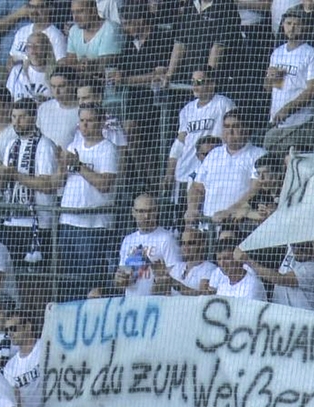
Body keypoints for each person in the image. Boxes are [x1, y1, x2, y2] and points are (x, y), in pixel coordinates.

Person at [57, 104, 118, 302]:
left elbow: (105, 184)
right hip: (68, 221)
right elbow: (58, 180)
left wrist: (78, 166)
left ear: (101, 122)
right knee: (68, 280)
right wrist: (61, 165)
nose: (84, 125)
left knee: (91, 280)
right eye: (82, 120)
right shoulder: (72, 146)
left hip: (93, 226)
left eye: (89, 120)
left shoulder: (107, 149)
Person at [0, 98, 60, 265]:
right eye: (14, 117)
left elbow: (47, 185)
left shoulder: (45, 146)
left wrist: (15, 175)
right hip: (11, 220)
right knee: (10, 270)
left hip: (38, 223)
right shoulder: (10, 145)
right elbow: (2, 186)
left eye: (22, 117)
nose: (17, 122)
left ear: (33, 118)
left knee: (34, 278)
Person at [184, 108, 267, 232]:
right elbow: (197, 188)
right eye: (226, 127)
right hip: (208, 226)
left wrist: (229, 212)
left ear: (246, 128)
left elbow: (254, 191)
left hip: (238, 226)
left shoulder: (258, 155)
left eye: (235, 126)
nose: (230, 131)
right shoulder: (213, 154)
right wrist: (192, 208)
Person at [165, 67, 234, 206]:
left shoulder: (223, 103)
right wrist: (170, 171)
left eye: (200, 81)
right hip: (185, 170)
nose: (195, 86)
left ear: (212, 84)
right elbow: (180, 142)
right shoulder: (187, 109)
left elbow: (231, 133)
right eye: (193, 82)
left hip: (211, 170)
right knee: (182, 217)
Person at [263, 6, 314, 157]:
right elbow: (269, 89)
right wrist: (269, 79)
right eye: (289, 23)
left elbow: (312, 90)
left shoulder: (311, 54)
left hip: (300, 123)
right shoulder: (277, 53)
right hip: (277, 122)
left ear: (305, 27)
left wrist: (288, 108)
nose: (292, 27)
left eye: (297, 24)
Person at [114, 193, 182, 297]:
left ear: (157, 211)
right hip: (132, 303)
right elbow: (123, 279)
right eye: (141, 211)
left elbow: (176, 277)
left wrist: (161, 279)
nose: (146, 216)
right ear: (133, 212)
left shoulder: (167, 238)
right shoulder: (128, 240)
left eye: (150, 211)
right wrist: (120, 280)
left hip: (158, 303)